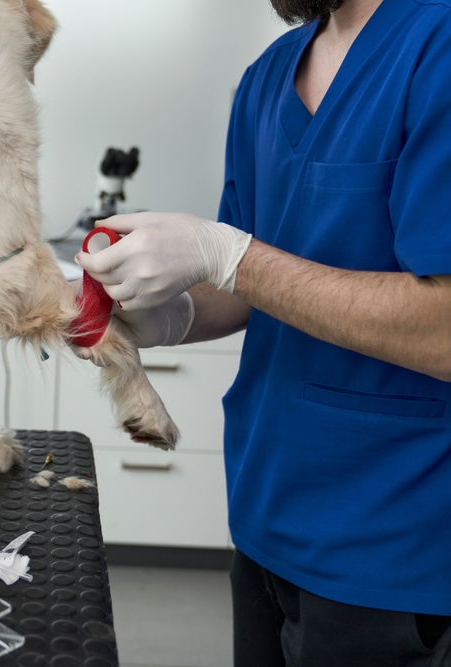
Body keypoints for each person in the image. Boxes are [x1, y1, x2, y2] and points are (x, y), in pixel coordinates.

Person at [74, 0, 451, 664]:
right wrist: (171, 312)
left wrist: (229, 255)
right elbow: (249, 285)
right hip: (263, 517)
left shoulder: (436, 44)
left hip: (394, 550)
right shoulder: (268, 77)